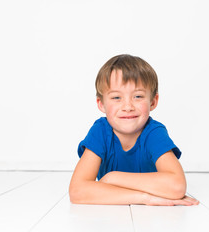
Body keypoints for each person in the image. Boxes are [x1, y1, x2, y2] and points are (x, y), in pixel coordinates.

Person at [69, 54, 199, 206]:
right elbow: (77, 192)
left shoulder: (153, 132)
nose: (128, 107)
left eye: (137, 96)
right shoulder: (100, 132)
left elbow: (177, 187)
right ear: (101, 104)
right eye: (116, 98)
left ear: (153, 101)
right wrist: (144, 198)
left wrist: (112, 178)